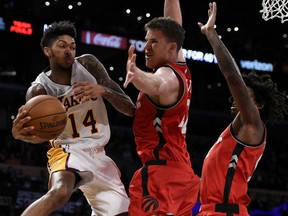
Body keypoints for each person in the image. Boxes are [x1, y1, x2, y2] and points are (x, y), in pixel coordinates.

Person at [12, 20, 135, 216]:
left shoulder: (88, 65)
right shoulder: (39, 89)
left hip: (100, 155)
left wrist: (103, 90)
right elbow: (37, 136)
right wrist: (20, 135)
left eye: (72, 46)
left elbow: (130, 109)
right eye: (62, 46)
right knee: (60, 192)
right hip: (68, 150)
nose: (69, 51)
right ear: (48, 51)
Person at [197, 2, 288, 215]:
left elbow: (232, 77)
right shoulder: (236, 132)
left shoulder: (253, 125)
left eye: (244, 96)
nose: (235, 98)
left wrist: (212, 34)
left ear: (257, 104)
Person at [123, 0, 200, 215]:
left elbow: (157, 85)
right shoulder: (178, 61)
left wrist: (136, 75)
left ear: (170, 48)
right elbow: (173, 25)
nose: (146, 47)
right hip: (182, 175)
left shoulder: (166, 76)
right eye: (146, 41)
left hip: (161, 176)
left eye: (153, 42)